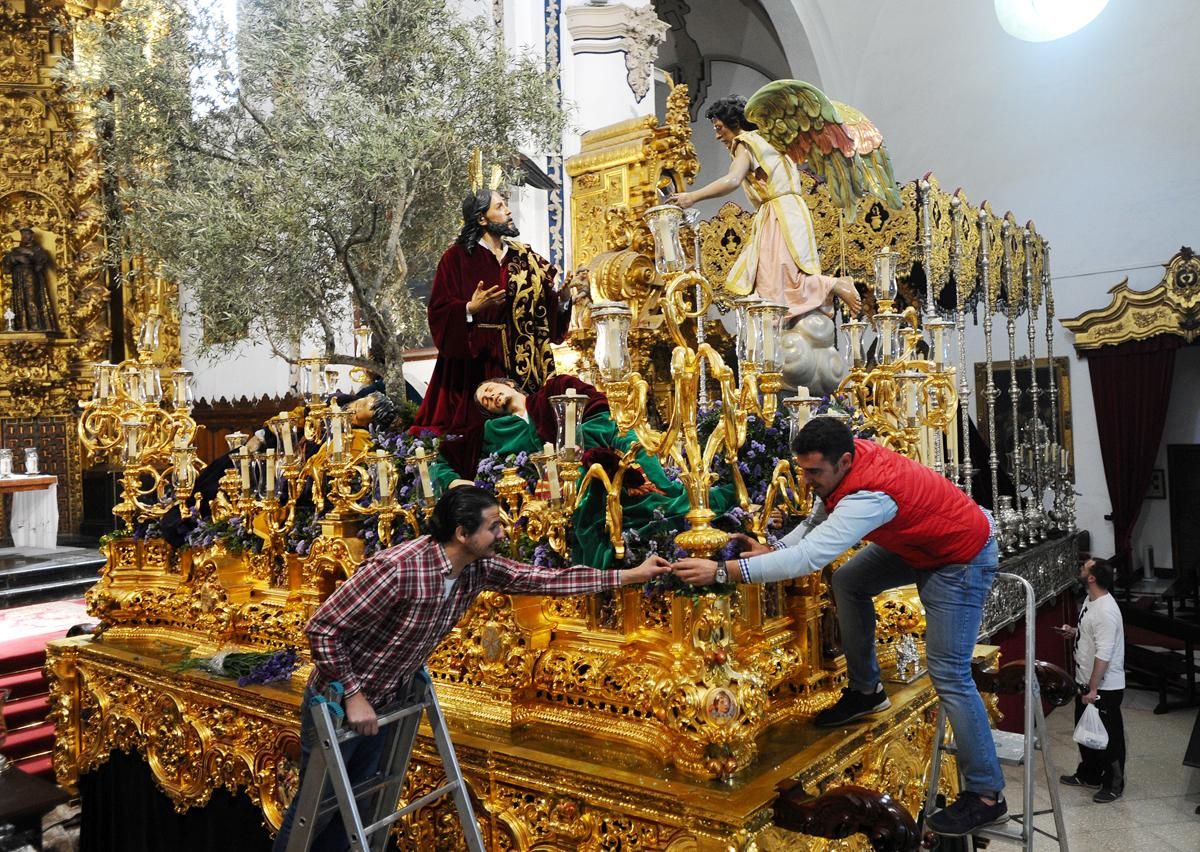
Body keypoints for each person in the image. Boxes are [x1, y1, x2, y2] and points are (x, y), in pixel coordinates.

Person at [272, 485, 671, 851]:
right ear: (463, 533)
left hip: (386, 700)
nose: (502, 534)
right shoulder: (398, 568)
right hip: (341, 703)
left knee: (359, 805)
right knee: (319, 804)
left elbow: (545, 579)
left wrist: (631, 576)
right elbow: (323, 629)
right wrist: (355, 696)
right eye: (493, 527)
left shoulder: (478, 567)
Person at [672, 417, 1005, 837]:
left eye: (815, 473)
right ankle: (866, 692)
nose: (807, 481)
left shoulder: (870, 495)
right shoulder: (845, 469)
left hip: (960, 555)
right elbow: (814, 525)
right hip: (922, 542)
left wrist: (724, 571)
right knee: (849, 580)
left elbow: (809, 558)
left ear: (844, 461)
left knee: (950, 675)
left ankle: (986, 794)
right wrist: (771, 548)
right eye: (803, 471)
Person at [411, 189, 574, 477]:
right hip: (476, 363)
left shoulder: (523, 256)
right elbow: (438, 311)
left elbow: (543, 314)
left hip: (525, 363)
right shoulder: (456, 258)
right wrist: (470, 308)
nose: (508, 211)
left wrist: (561, 299)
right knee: (476, 436)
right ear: (482, 219)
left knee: (533, 429)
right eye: (500, 206)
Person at [667, 96, 861, 321]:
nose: (717, 135)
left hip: (778, 214)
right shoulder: (770, 141)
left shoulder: (746, 142)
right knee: (778, 279)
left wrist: (692, 196)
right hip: (789, 210)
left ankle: (834, 284)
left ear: (734, 122)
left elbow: (732, 180)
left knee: (776, 282)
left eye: (719, 127)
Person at [1057, 557, 1126, 803]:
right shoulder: (1091, 599)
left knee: (1108, 737)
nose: (1080, 568)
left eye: (1084, 567)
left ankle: (1114, 783)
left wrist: (1094, 688)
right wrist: (1075, 633)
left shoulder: (1107, 611)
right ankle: (1090, 774)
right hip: (1085, 680)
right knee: (1085, 731)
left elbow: (1104, 654)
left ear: (1093, 577)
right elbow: (1091, 633)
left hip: (1103, 686)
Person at [2, 227, 57, 332]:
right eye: (23, 235)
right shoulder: (15, 251)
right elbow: (6, 264)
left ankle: (35, 325)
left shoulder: (37, 249)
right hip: (17, 277)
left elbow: (41, 261)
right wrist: (15, 258)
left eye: (27, 235)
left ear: (32, 237)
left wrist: (30, 254)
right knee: (18, 300)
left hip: (30, 276)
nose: (24, 237)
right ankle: (21, 325)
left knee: (31, 299)